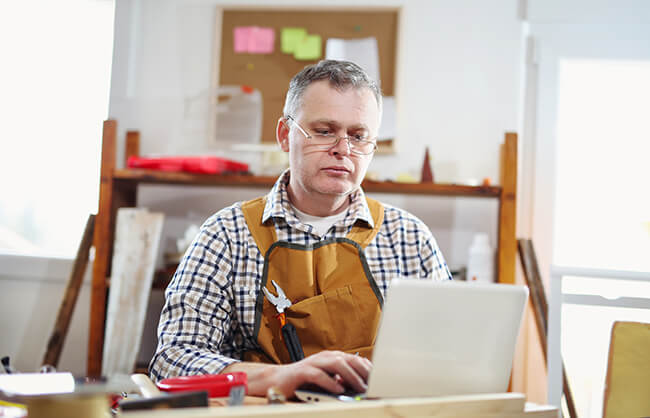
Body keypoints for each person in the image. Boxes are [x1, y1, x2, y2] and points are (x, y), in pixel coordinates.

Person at [149, 60, 452, 397]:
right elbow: (172, 360)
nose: (342, 149)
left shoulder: (410, 239)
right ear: (284, 135)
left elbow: (451, 359)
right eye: (324, 131)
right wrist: (274, 378)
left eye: (358, 136)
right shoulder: (226, 236)